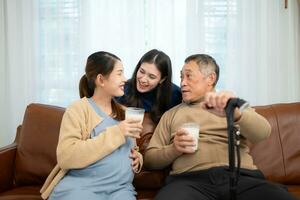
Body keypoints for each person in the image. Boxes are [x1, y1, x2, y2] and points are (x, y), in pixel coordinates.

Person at [144, 54, 297, 200]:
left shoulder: (231, 105)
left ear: (211, 78)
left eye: (188, 76)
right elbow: (150, 160)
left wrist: (236, 114)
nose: (182, 82)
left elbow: (263, 132)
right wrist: (174, 149)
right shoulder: (171, 114)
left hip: (240, 178)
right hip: (188, 182)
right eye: (181, 77)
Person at [40, 51, 143, 200]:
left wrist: (137, 158)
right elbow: (66, 156)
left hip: (120, 189)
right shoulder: (78, 109)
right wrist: (117, 132)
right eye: (119, 73)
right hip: (83, 187)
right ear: (101, 79)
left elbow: (130, 149)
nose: (125, 79)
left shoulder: (125, 112)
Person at [116, 49, 182, 123]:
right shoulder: (123, 88)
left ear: (162, 79)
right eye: (142, 71)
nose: (143, 80)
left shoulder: (175, 95)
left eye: (151, 77)